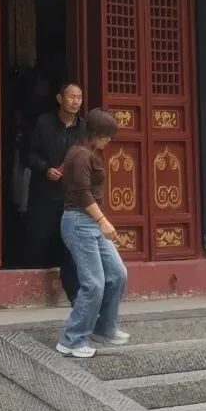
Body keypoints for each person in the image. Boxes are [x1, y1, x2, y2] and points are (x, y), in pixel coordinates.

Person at [56, 107, 130, 359]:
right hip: (79, 222)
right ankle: (71, 340)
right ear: (96, 133)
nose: (109, 140)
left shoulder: (90, 153)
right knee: (94, 283)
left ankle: (104, 328)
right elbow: (83, 193)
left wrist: (100, 222)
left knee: (117, 274)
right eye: (107, 135)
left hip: (92, 223)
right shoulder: (79, 155)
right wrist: (103, 221)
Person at [26, 80, 84, 301]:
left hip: (71, 196)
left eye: (79, 97)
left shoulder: (84, 128)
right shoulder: (44, 123)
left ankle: (73, 294)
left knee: (69, 244)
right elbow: (30, 155)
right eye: (72, 97)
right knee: (39, 237)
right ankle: (32, 290)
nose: (76, 102)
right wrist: (45, 169)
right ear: (60, 99)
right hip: (44, 193)